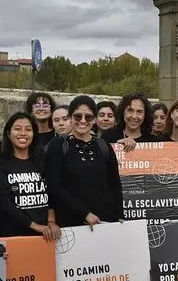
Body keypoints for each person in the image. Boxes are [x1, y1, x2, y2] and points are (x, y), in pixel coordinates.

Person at [46, 95, 123, 227]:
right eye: (77, 116)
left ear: (94, 120)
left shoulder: (103, 145)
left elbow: (114, 184)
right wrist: (85, 214)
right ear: (70, 118)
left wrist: (119, 215)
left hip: (104, 222)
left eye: (88, 117)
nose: (83, 121)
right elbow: (54, 187)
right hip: (71, 223)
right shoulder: (57, 145)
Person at [0, 111, 60, 239]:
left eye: (28, 129)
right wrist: (34, 225)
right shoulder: (0, 163)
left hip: (45, 235)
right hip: (14, 234)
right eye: (17, 129)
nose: (23, 133)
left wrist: (51, 221)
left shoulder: (42, 159)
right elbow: (3, 202)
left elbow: (51, 193)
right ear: (8, 133)